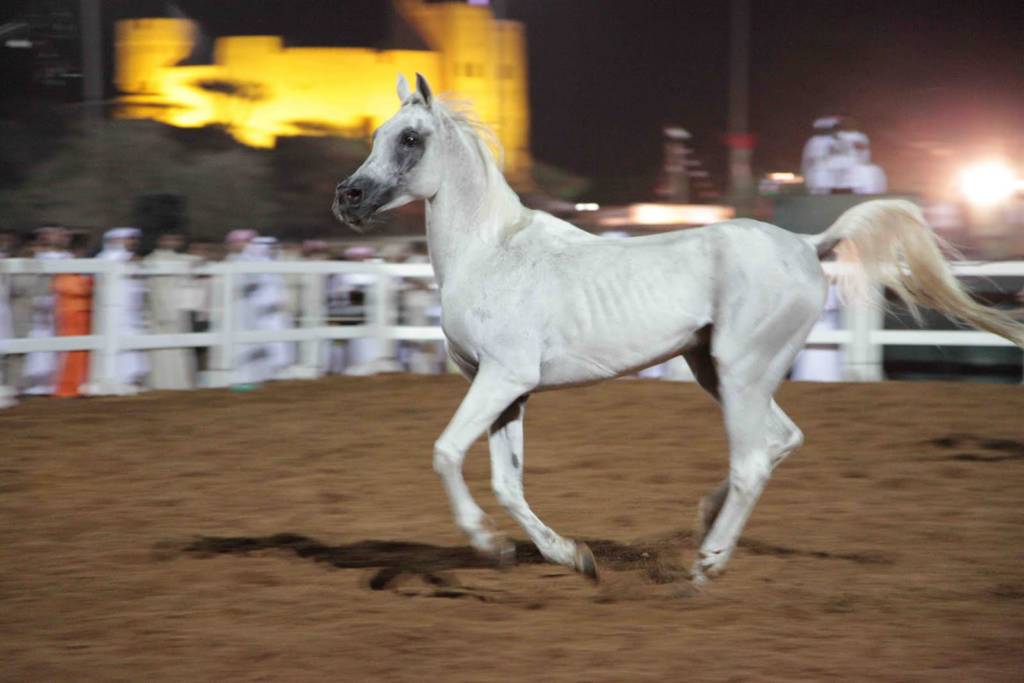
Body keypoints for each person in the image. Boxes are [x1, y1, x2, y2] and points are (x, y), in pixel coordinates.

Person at [143, 230, 199, 390]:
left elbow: (197, 261)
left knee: (180, 350)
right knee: (162, 351)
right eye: (170, 237)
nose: (173, 241)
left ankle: (181, 383)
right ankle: (161, 383)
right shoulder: (152, 260)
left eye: (176, 238)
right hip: (160, 312)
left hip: (178, 313)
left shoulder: (180, 259)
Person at [97, 227, 148, 392]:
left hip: (133, 308)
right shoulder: (105, 257)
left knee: (134, 337)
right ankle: (119, 378)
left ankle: (133, 378)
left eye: (134, 239)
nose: (133, 242)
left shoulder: (136, 259)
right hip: (114, 309)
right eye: (129, 238)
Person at [21, 227, 71, 395]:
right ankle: (34, 381)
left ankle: (55, 381)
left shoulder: (68, 258)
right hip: (39, 304)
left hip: (63, 305)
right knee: (37, 338)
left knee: (59, 341)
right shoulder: (34, 256)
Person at [53, 232, 94, 398]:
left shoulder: (85, 263)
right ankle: (66, 388)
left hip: (84, 311)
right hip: (70, 311)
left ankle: (78, 384)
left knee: (82, 352)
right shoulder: (65, 262)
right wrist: (88, 286)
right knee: (71, 352)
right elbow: (64, 285)